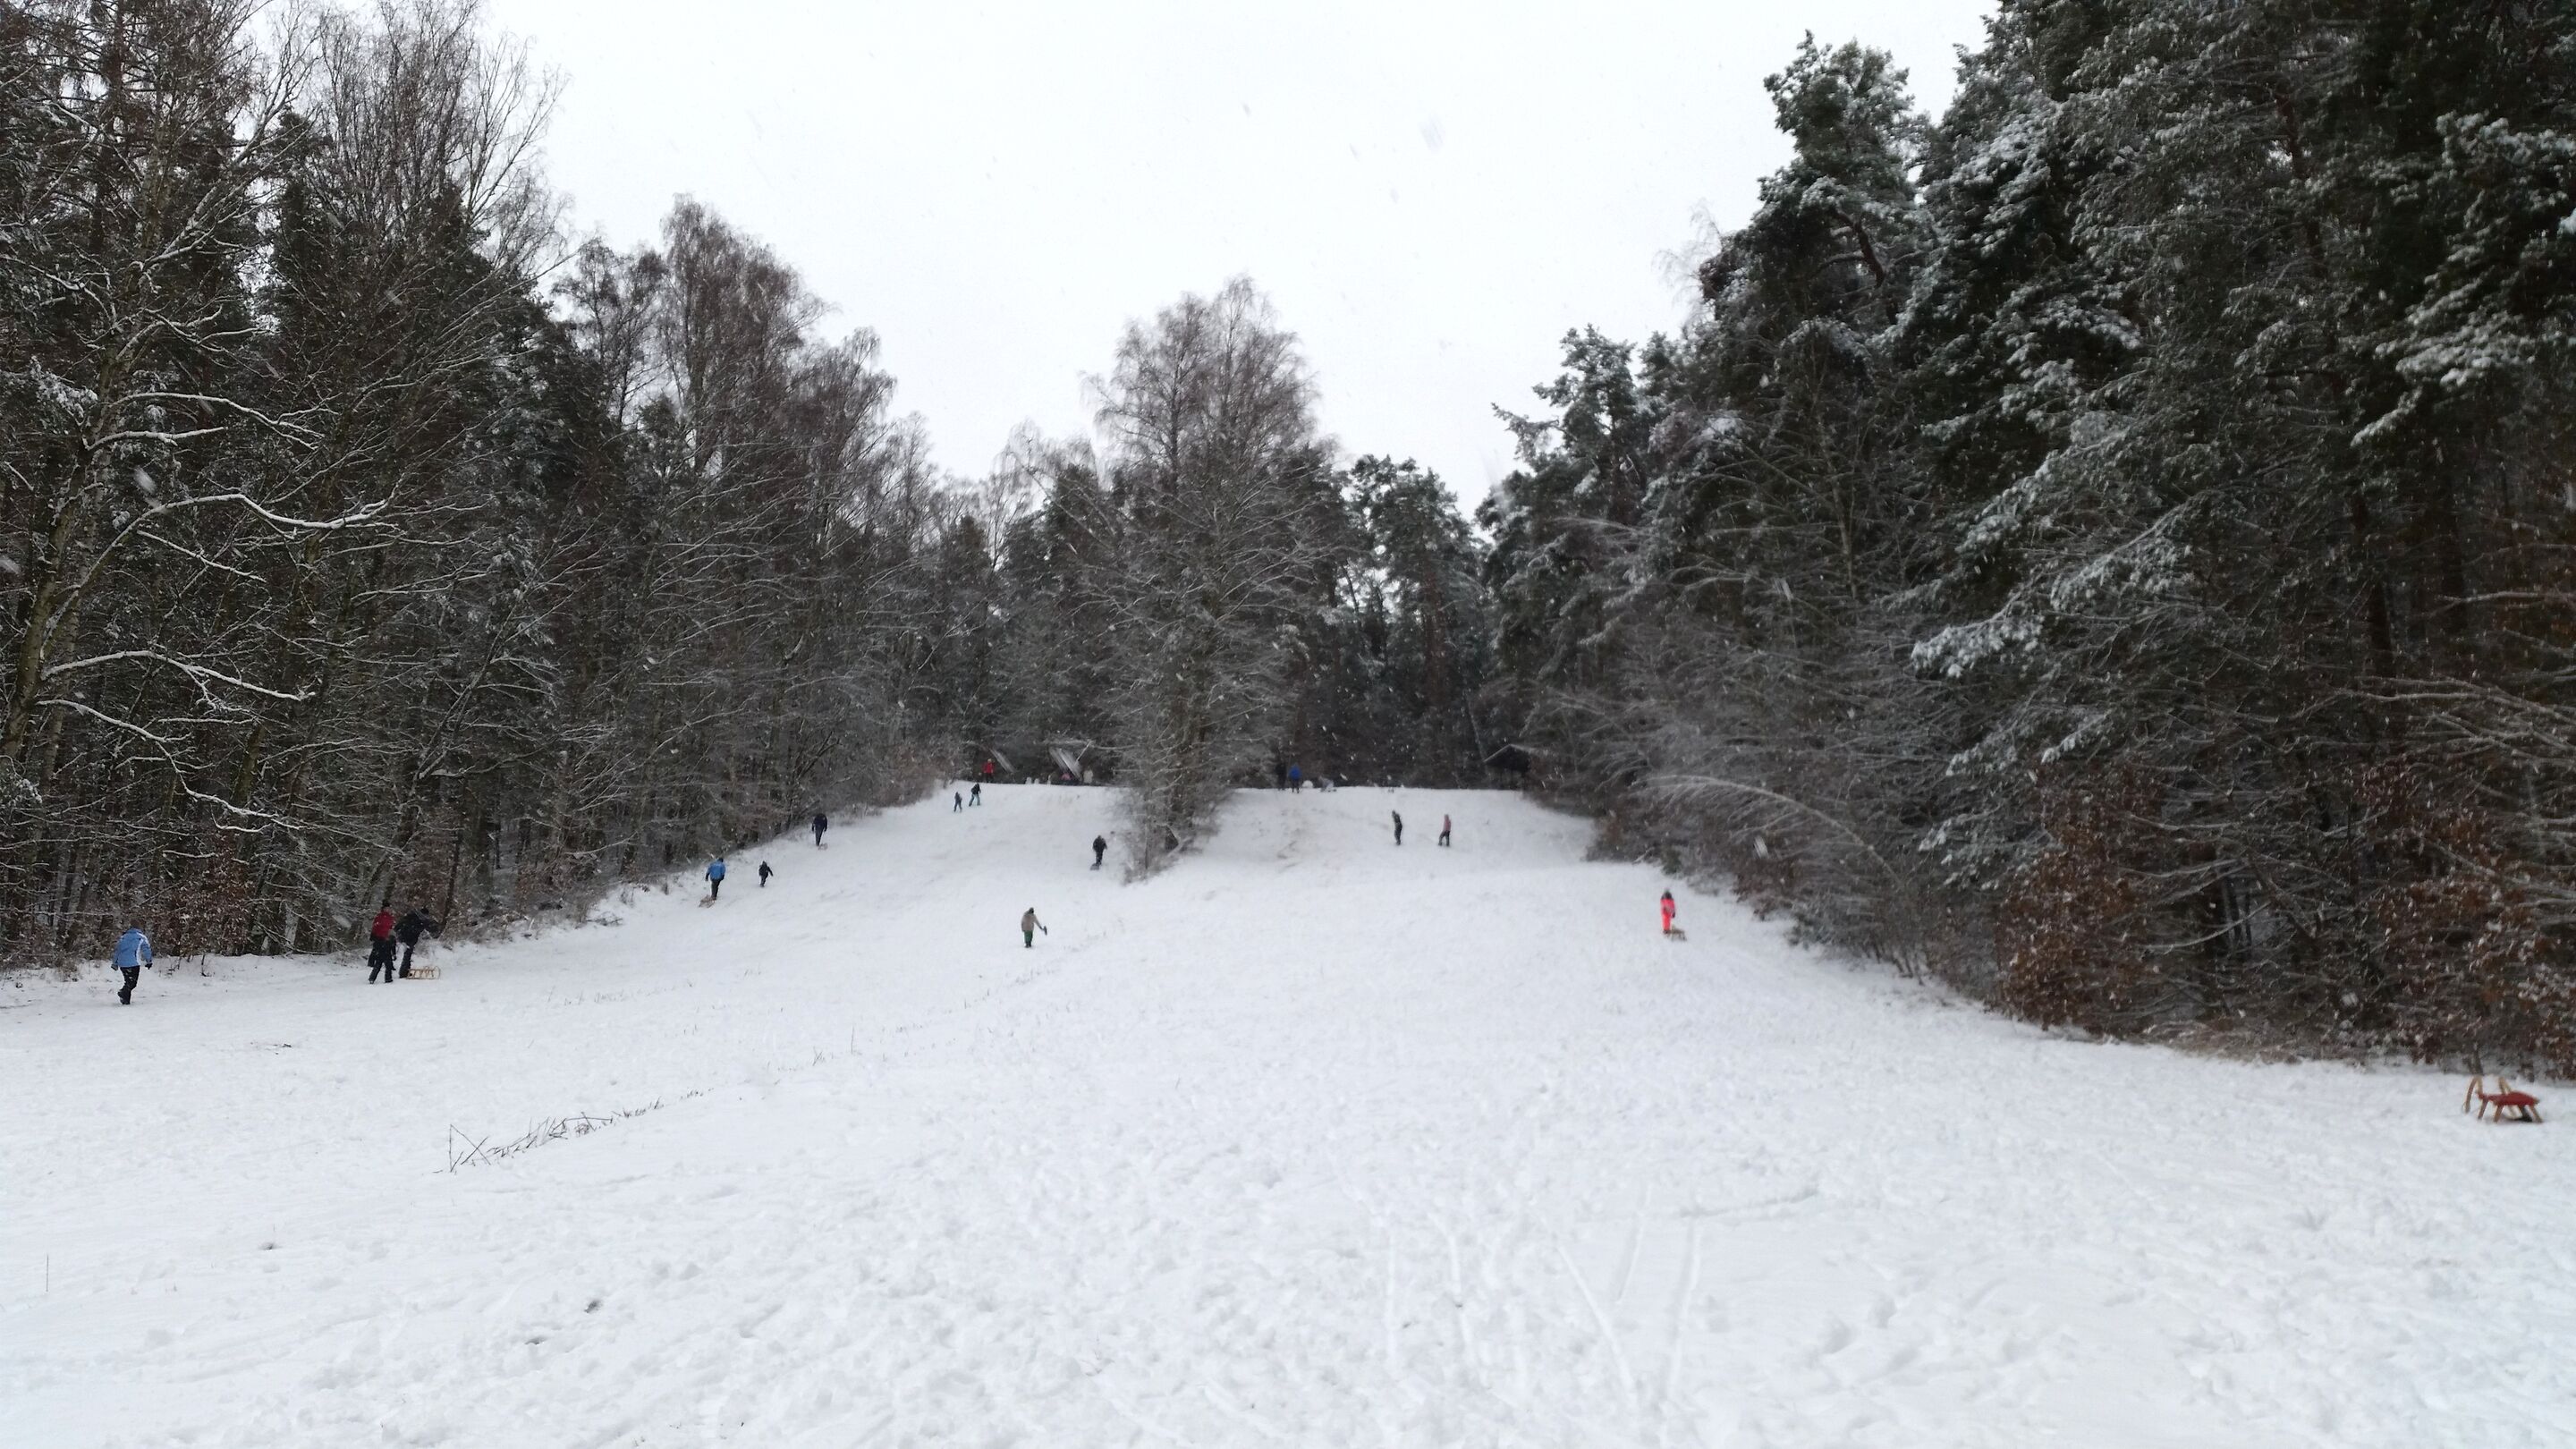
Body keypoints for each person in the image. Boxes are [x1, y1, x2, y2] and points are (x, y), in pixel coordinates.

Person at [111, 925, 152, 1005]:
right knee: (132, 983)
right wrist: (149, 961)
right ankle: (122, 993)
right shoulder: (141, 937)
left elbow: (117, 951)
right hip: (134, 963)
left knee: (128, 982)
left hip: (122, 963)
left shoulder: (123, 937)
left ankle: (126, 1001)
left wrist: (115, 963)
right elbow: (146, 949)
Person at [395, 907, 442, 976]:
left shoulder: (413, 916)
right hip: (408, 937)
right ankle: (403, 972)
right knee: (407, 954)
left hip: (405, 936)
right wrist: (436, 929)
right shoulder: (421, 919)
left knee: (408, 954)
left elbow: (399, 925)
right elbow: (429, 927)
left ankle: (405, 971)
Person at [366, 906, 399, 984]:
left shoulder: (381, 917)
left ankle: (373, 977)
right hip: (384, 941)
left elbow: (375, 928)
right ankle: (387, 978)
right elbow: (389, 929)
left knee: (380, 961)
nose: (389, 910)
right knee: (386, 961)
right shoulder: (387, 918)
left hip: (381, 941)